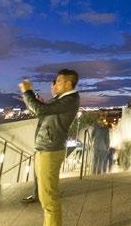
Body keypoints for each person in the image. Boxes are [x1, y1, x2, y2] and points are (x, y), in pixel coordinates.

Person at [19, 69, 80, 226]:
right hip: (45, 148)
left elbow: (41, 110)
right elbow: (43, 113)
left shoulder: (70, 99)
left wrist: (27, 92)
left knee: (48, 199)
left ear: (68, 83)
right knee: (44, 196)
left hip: (51, 151)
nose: (55, 84)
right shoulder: (61, 99)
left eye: (58, 81)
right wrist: (41, 101)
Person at [21, 80, 57, 204]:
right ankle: (39, 193)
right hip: (46, 142)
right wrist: (40, 104)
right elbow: (42, 113)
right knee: (40, 171)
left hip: (47, 143)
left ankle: (42, 195)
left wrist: (28, 94)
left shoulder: (58, 103)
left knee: (42, 171)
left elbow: (44, 114)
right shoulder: (55, 103)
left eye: (53, 86)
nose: (51, 89)